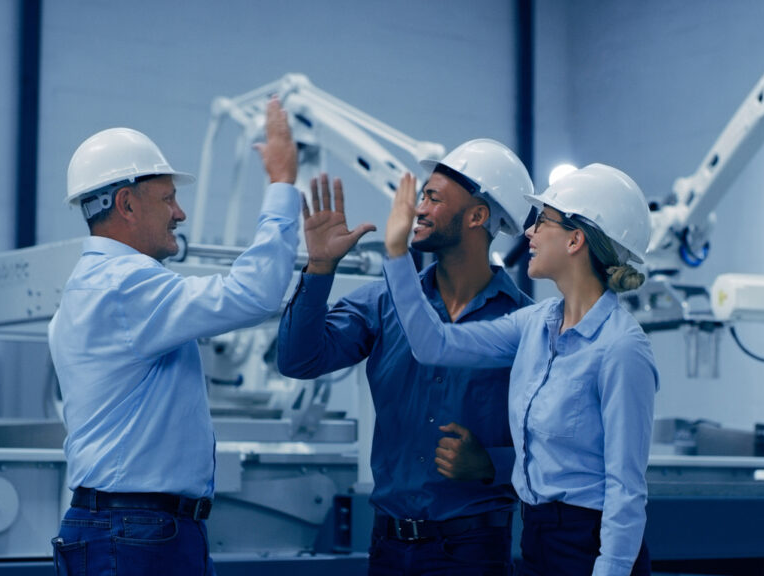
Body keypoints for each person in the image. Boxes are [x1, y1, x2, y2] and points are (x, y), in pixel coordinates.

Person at [48, 98, 300, 576]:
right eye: (167, 199)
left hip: (130, 527)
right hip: (136, 531)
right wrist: (282, 184)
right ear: (125, 204)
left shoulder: (93, 287)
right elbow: (257, 293)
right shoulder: (125, 287)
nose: (180, 213)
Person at [383, 164, 659, 576]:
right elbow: (434, 344)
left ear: (575, 240)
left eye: (542, 221)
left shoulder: (620, 349)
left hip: (591, 546)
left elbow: (626, 489)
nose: (528, 233)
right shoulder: (535, 324)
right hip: (537, 537)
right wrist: (397, 255)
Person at [276, 139, 535, 575]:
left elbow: (555, 446)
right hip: (390, 548)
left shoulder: (526, 325)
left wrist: (494, 463)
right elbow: (299, 361)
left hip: (475, 551)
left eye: (432, 197)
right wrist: (319, 267)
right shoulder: (385, 301)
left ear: (477, 215)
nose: (417, 209)